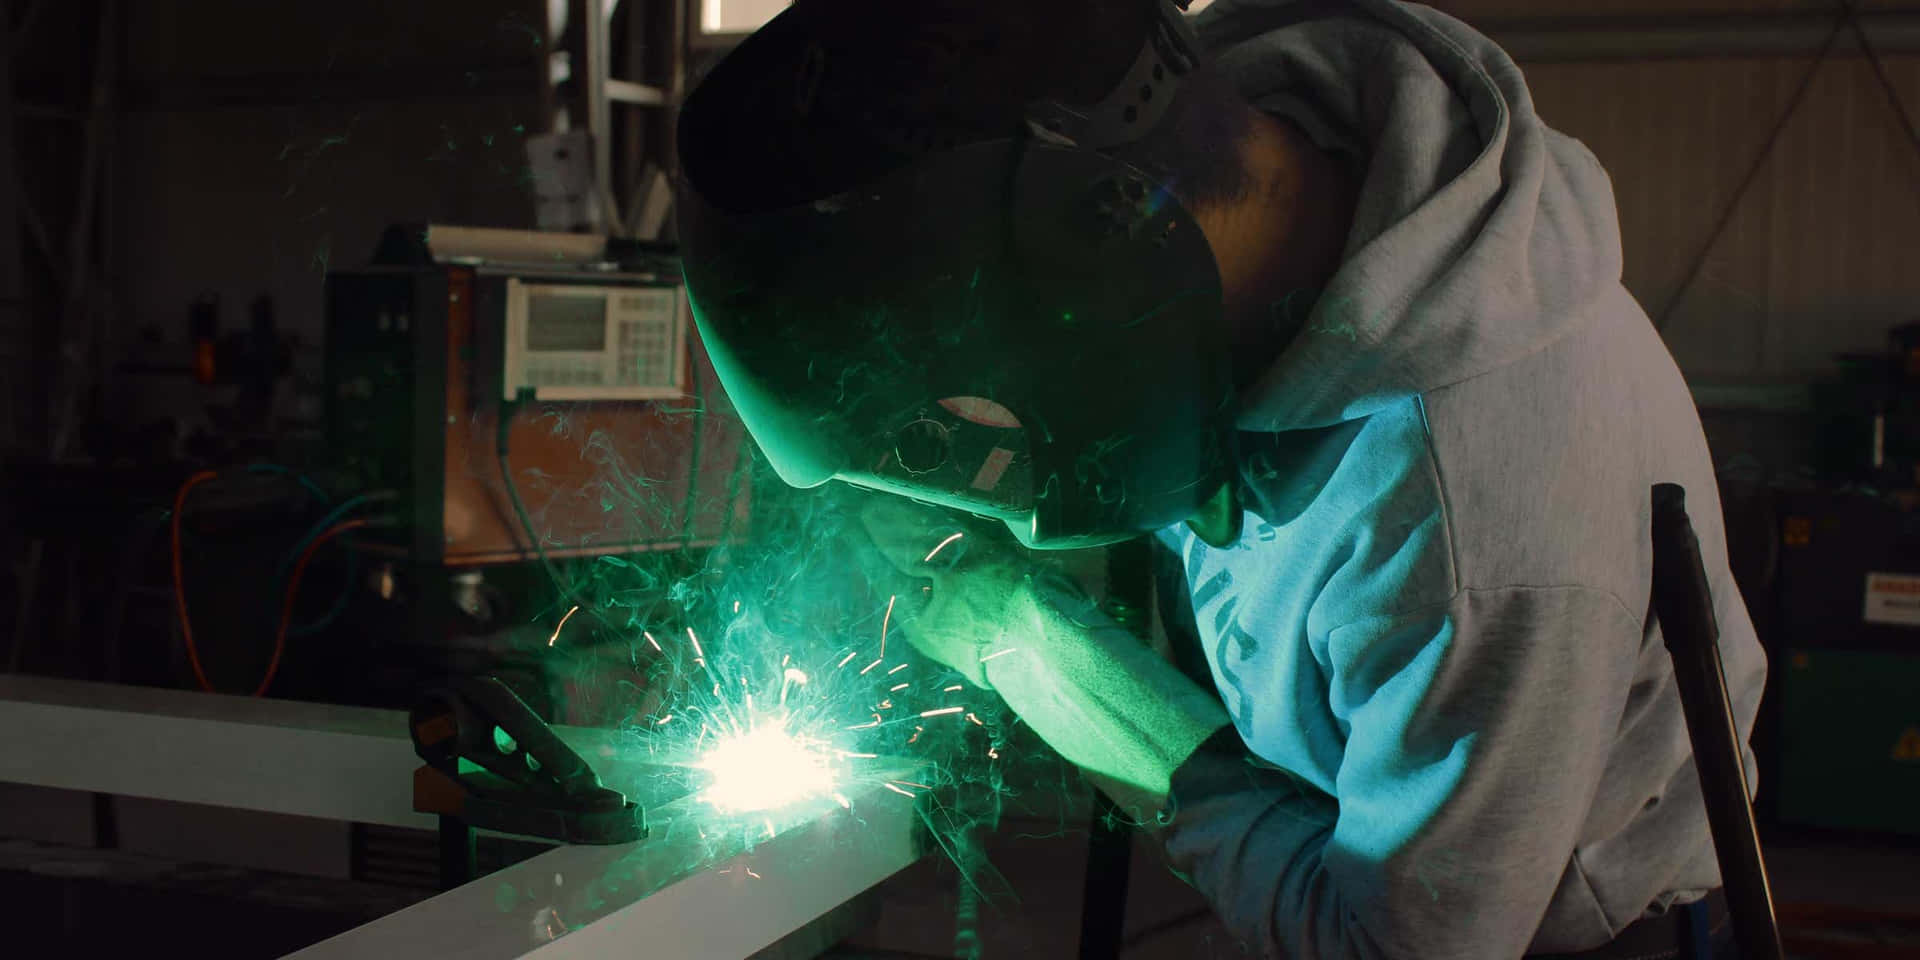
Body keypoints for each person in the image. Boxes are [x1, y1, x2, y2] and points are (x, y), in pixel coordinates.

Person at [673, 0, 1768, 957]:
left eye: (937, 430)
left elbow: (1388, 947)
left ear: (1086, 279)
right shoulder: (1220, 192)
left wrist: (1045, 655)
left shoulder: (1474, 527)